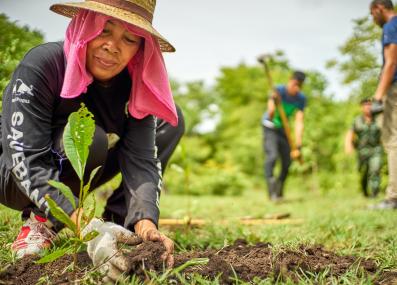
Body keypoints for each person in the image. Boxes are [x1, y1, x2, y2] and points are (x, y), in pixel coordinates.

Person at [0, 0, 185, 282]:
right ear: (86, 26)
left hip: (72, 172)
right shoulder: (44, 64)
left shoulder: (135, 85)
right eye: (104, 30)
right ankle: (42, 220)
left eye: (129, 39)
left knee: (171, 120)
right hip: (13, 175)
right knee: (89, 139)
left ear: (141, 47)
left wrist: (146, 225)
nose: (113, 46)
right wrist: (87, 227)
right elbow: (25, 157)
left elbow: (142, 159)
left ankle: (118, 224)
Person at [261, 71, 306, 201]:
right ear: (290, 80)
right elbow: (270, 112)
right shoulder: (278, 90)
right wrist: (273, 105)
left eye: (300, 86)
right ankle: (272, 191)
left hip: (283, 130)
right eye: (295, 84)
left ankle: (279, 191)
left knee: (287, 162)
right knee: (272, 156)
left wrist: (298, 145)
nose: (296, 88)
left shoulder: (301, 99)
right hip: (269, 126)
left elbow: (299, 122)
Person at [369, 0, 397, 209]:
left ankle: (393, 197)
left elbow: (391, 62)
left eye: (372, 14)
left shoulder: (391, 26)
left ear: (379, 8)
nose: (373, 20)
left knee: (393, 139)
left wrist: (378, 97)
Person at [345, 98, 383, 198]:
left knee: (375, 169)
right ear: (362, 107)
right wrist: (348, 145)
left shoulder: (379, 119)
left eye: (370, 104)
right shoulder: (357, 120)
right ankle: (364, 190)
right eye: (365, 105)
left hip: (376, 149)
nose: (368, 107)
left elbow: (384, 132)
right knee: (364, 172)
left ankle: (375, 193)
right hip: (362, 151)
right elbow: (350, 133)